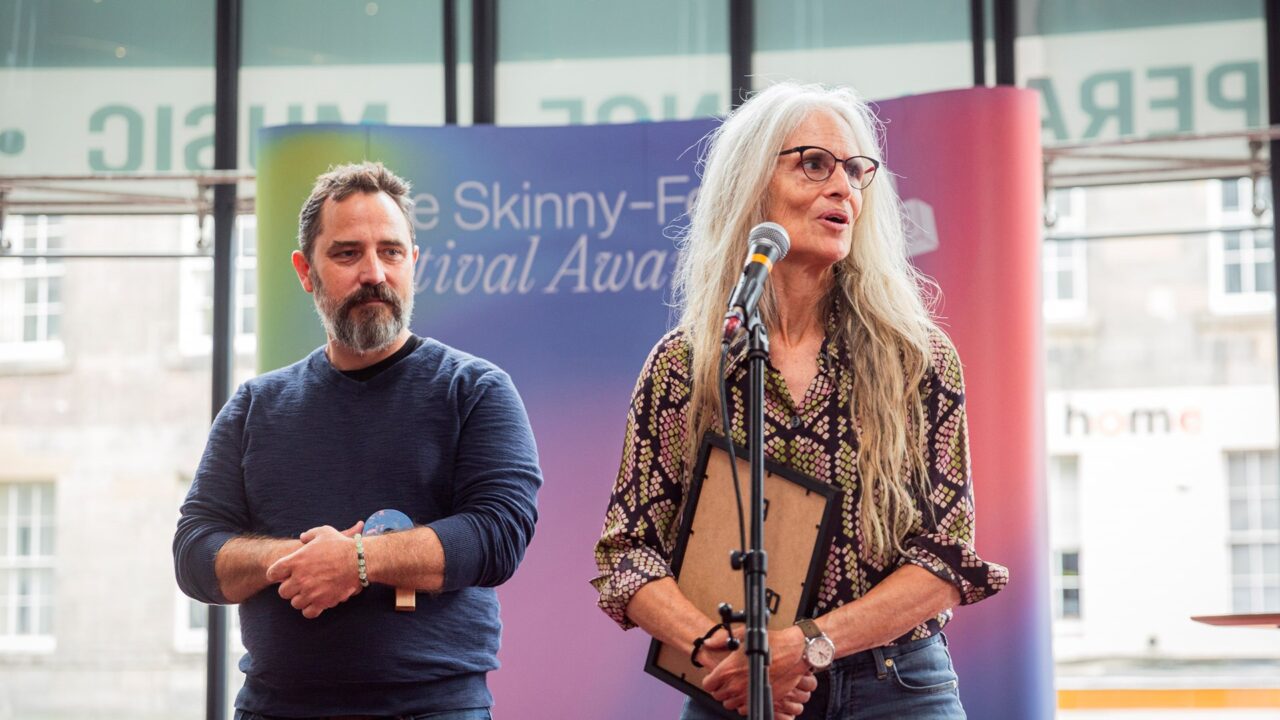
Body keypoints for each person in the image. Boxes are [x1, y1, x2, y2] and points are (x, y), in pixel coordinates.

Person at [592, 82, 1009, 720]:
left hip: (895, 685)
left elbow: (945, 555)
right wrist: (717, 653)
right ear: (752, 184)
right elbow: (628, 552)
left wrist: (806, 646)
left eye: (856, 171)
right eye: (815, 164)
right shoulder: (686, 365)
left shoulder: (914, 358)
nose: (843, 186)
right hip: (731, 687)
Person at [174, 162, 542, 720]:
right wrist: (299, 560)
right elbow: (195, 554)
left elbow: (498, 535)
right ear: (305, 271)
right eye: (347, 253)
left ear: (413, 263)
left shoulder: (476, 390)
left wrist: (357, 562)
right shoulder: (255, 407)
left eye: (391, 252)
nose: (374, 273)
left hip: (436, 708)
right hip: (277, 707)